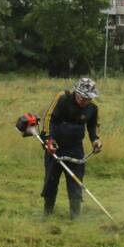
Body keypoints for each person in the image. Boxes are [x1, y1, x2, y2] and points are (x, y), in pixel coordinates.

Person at [40, 77, 102, 219]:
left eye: (88, 99)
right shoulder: (62, 98)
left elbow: (92, 126)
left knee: (76, 181)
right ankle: (47, 212)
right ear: (76, 92)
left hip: (75, 148)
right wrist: (49, 139)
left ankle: (75, 216)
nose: (84, 102)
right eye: (82, 98)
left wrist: (95, 140)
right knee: (51, 180)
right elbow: (49, 118)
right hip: (55, 146)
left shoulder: (92, 108)